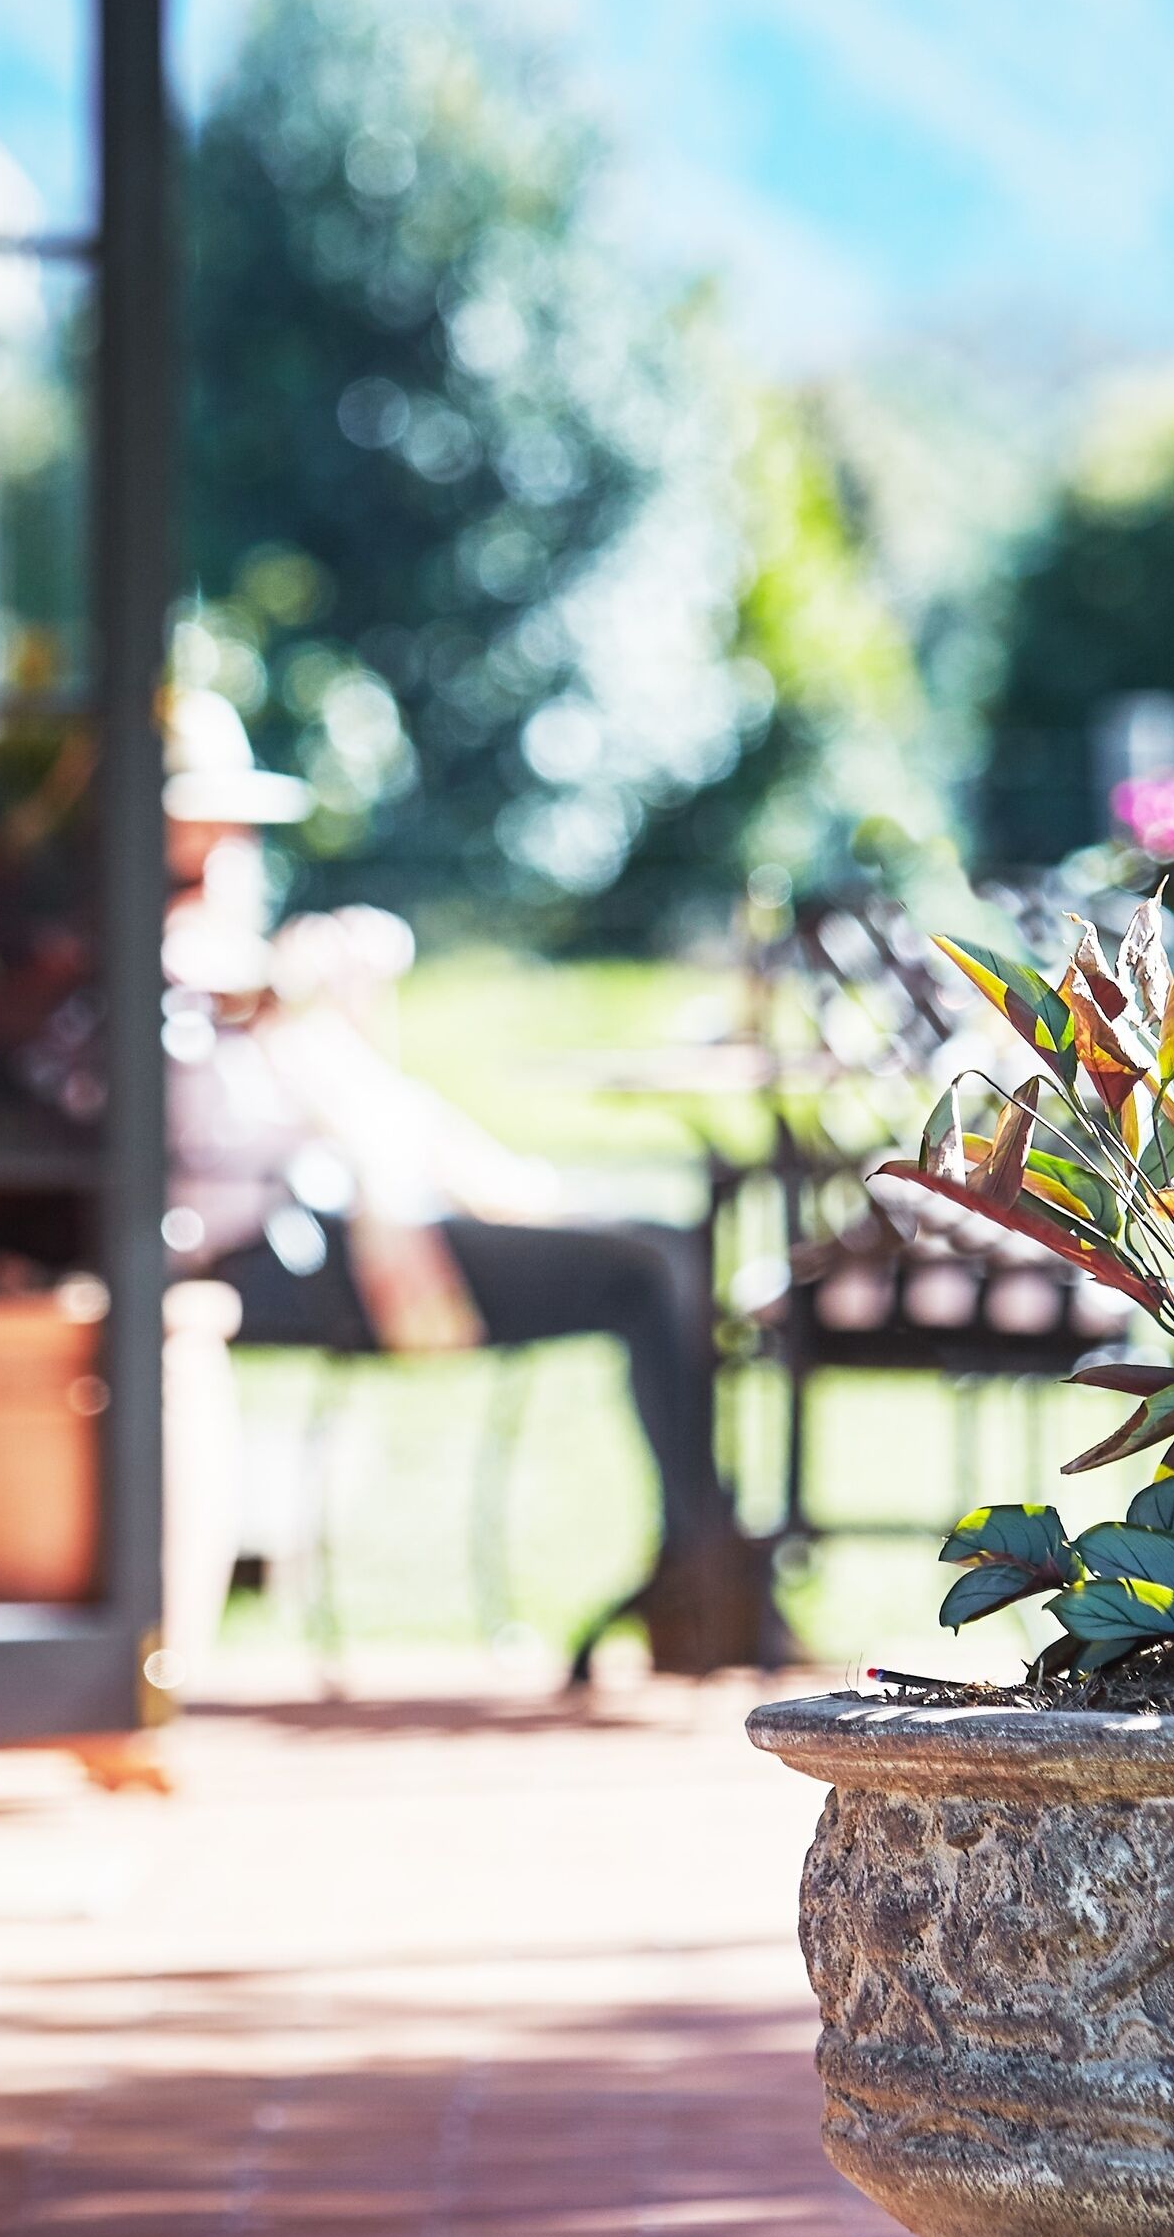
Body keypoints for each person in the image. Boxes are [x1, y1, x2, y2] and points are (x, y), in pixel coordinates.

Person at [161, 690, 779, 1674]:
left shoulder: (238, 967)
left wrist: (323, 1001)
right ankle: (705, 1571)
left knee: (664, 1249)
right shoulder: (176, 969)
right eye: (202, 814)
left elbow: (370, 1104)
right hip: (274, 1257)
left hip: (339, 1226)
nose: (227, 839)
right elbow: (304, 1112)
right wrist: (286, 995)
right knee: (645, 1267)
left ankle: (703, 1557)